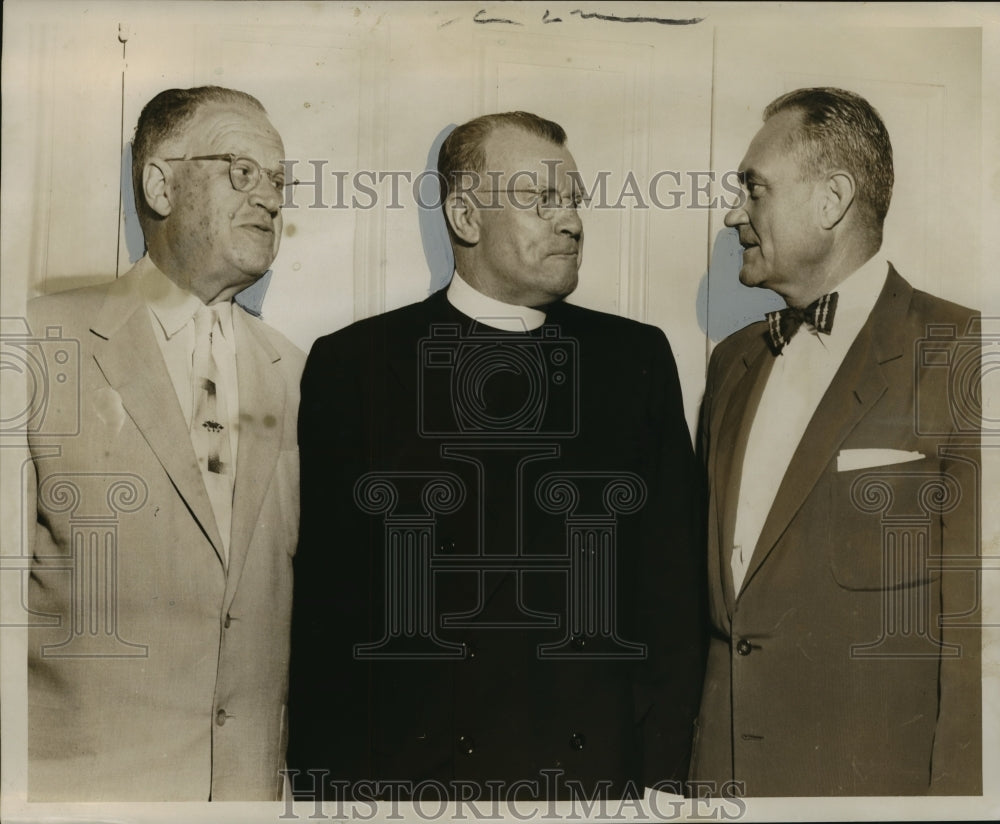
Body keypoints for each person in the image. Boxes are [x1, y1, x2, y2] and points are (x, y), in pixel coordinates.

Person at [289, 111, 705, 804]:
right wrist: (327, 797)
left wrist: (661, 787)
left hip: (593, 787)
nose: (571, 221)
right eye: (543, 200)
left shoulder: (635, 361)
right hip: (413, 789)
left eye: (574, 201)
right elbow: (329, 615)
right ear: (466, 216)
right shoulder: (354, 365)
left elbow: (672, 602)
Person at [690, 87, 981, 796]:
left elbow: (979, 641)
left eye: (752, 190)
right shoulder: (731, 363)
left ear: (831, 200)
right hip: (716, 786)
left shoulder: (964, 354)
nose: (733, 215)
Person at [26, 86, 304, 800]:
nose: (270, 198)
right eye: (242, 171)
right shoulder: (36, 343)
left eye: (279, 180)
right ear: (159, 183)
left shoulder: (298, 373)